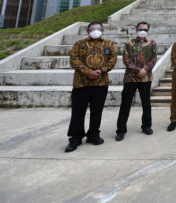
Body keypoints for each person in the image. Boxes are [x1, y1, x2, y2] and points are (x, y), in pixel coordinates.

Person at [65, 21, 117, 152]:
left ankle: (93, 134)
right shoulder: (79, 44)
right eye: (92, 28)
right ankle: (75, 138)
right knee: (78, 112)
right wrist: (88, 72)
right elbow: (73, 59)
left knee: (97, 111)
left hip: (101, 82)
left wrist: (101, 70)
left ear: (102, 31)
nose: (95, 30)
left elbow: (113, 59)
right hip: (81, 83)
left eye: (98, 28)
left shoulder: (108, 44)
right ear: (88, 31)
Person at [115, 21, 157, 141]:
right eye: (140, 28)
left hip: (146, 78)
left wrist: (145, 70)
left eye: (145, 29)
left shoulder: (152, 43)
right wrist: (138, 70)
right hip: (130, 77)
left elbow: (154, 59)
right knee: (125, 104)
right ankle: (121, 130)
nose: (143, 31)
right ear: (136, 29)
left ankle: (146, 126)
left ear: (148, 31)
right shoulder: (129, 43)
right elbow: (126, 59)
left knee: (146, 103)